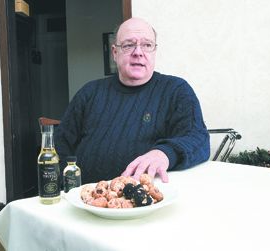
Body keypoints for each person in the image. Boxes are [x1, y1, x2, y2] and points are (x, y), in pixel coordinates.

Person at [54, 17, 210, 184]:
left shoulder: (177, 90)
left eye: (147, 45)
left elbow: (199, 139)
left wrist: (165, 153)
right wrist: (68, 190)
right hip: (87, 199)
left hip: (149, 202)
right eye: (128, 45)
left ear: (154, 51)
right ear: (115, 52)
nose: (138, 52)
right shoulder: (89, 93)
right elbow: (60, 146)